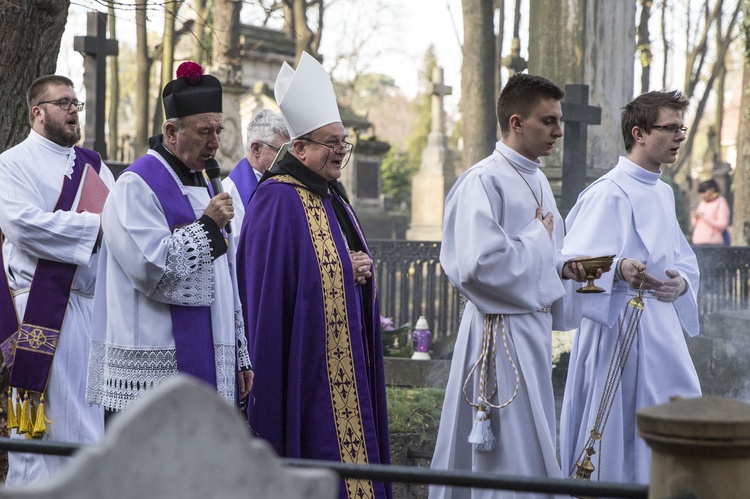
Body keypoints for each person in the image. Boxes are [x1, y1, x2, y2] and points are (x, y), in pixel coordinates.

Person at [236, 52, 391, 499]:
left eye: (344, 142)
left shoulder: (334, 196)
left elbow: (337, 262)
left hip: (345, 358)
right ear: (299, 149)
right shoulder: (274, 202)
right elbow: (268, 294)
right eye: (331, 142)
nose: (341, 151)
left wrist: (357, 271)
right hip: (304, 366)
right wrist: (346, 269)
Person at [430, 73, 590, 499]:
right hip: (496, 334)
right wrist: (540, 240)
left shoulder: (536, 178)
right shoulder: (483, 181)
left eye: (558, 120)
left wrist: (564, 269)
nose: (558, 131)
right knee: (504, 448)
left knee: (533, 438)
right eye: (548, 121)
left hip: (529, 333)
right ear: (516, 122)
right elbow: (476, 265)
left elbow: (540, 258)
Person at [86, 62, 253, 416]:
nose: (215, 142)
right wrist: (208, 226)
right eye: (204, 131)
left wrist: (239, 353)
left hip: (211, 356)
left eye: (219, 131)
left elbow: (227, 281)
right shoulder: (137, 185)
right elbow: (152, 269)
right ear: (171, 131)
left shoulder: (206, 183)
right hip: (154, 360)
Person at [560, 90, 701, 484]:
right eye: (669, 128)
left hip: (661, 331)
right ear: (638, 133)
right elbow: (570, 263)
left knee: (674, 417)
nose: (678, 136)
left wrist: (682, 283)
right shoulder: (608, 192)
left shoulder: (663, 191)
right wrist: (618, 269)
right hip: (616, 327)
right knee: (618, 428)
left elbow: (682, 259)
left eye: (681, 128)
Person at [0, 75, 115, 484]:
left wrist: (107, 227)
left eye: (75, 104)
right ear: (38, 112)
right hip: (42, 306)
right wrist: (93, 228)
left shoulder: (95, 166)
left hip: (90, 305)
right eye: (63, 102)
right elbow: (23, 225)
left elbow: (119, 226)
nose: (72, 110)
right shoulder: (12, 163)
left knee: (89, 420)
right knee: (49, 428)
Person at [223, 109, 290, 232]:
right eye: (281, 151)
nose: (287, 159)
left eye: (289, 152)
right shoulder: (229, 194)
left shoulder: (285, 183)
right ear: (256, 149)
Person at [691, 178, 730, 246]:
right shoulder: (702, 203)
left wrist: (704, 216)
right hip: (698, 242)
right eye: (701, 193)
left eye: (704, 192)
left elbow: (722, 224)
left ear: (712, 189)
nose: (702, 195)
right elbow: (695, 224)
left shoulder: (721, 203)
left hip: (713, 243)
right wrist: (695, 217)